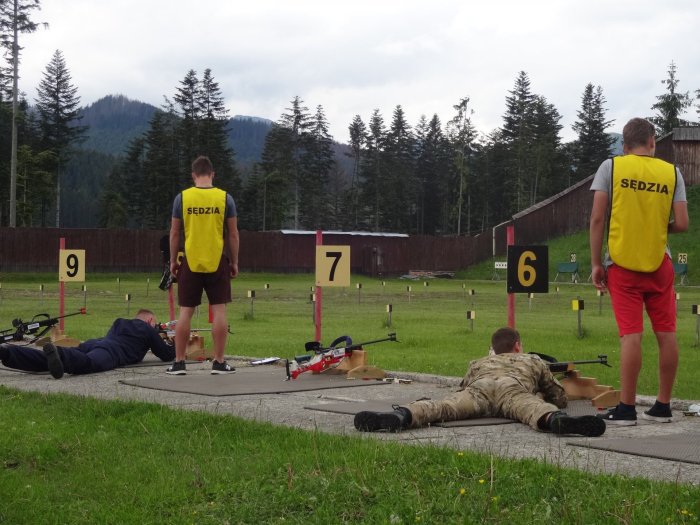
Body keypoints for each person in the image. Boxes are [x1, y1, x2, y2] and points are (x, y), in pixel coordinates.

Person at [589, 117, 689, 426]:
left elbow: (597, 219)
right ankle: (662, 406)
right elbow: (683, 224)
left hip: (622, 265)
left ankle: (627, 409)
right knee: (666, 334)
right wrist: (655, 228)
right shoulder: (672, 172)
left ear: (624, 144)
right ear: (652, 142)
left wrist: (595, 263)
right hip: (660, 264)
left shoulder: (613, 167)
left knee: (631, 335)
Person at [354, 327, 606, 437]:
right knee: (536, 410)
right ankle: (558, 423)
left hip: (479, 389)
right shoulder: (532, 360)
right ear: (518, 346)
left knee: (441, 407)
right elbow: (558, 396)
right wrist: (542, 397)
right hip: (512, 389)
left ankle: (402, 416)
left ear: (493, 350)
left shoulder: (478, 363)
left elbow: (462, 390)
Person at [167, 155, 239, 375]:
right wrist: (234, 261)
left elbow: (175, 232)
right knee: (219, 311)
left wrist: (172, 260)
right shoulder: (225, 199)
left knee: (185, 313)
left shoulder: (183, 198)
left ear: (193, 175)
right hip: (217, 260)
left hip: (190, 261)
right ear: (212, 174)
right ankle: (218, 362)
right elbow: (233, 234)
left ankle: (179, 362)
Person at [0, 309, 175, 379]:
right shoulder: (148, 329)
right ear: (150, 320)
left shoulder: (120, 321)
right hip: (112, 351)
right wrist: (175, 344)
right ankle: (60, 354)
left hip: (95, 343)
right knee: (89, 364)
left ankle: (8, 353)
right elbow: (165, 355)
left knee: (43, 360)